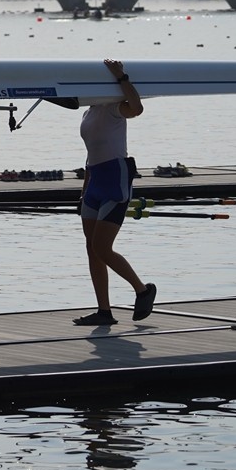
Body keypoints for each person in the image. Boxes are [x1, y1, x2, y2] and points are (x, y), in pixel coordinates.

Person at [74, 58, 157, 326]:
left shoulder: (114, 108)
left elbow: (138, 107)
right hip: (94, 180)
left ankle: (143, 290)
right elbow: (90, 153)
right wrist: (84, 191)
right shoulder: (88, 112)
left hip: (115, 179)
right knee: (91, 248)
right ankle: (104, 312)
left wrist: (122, 77)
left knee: (102, 247)